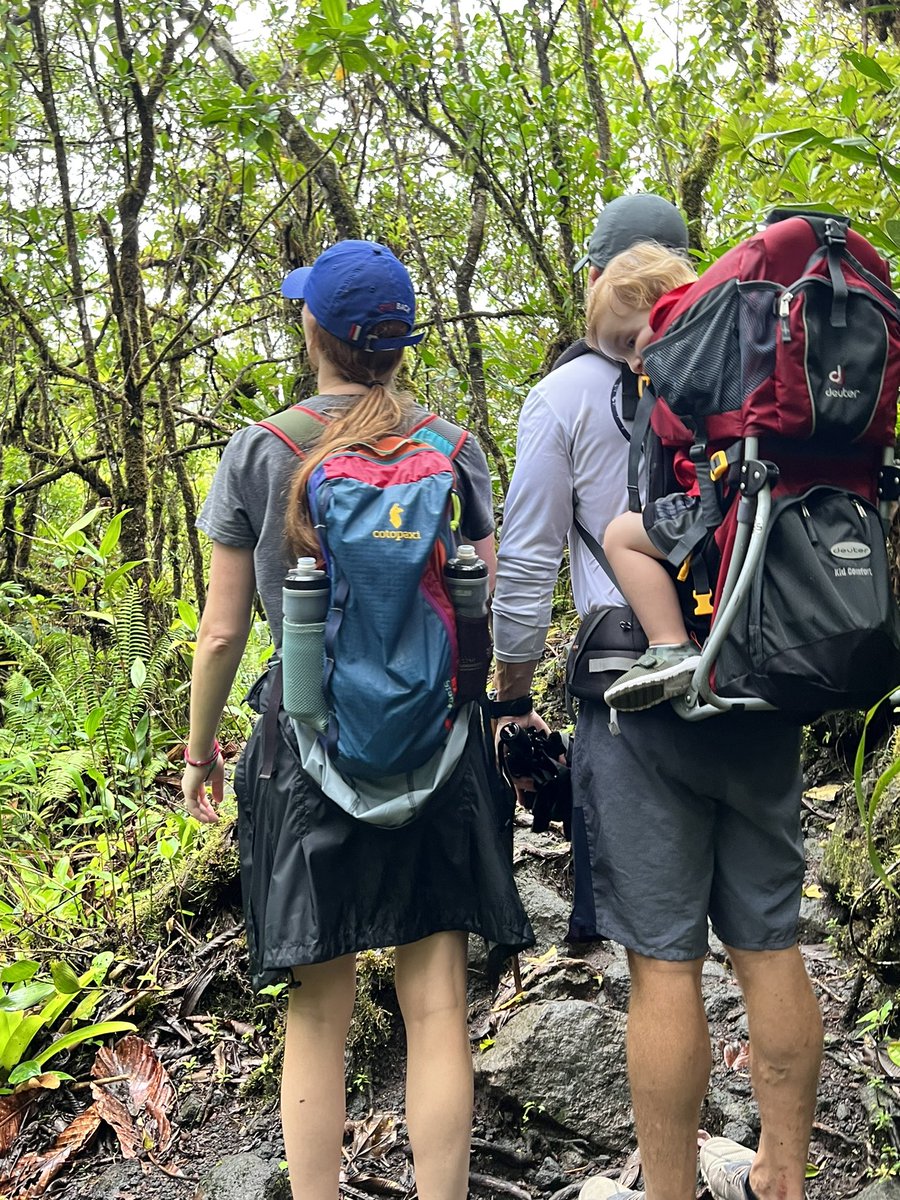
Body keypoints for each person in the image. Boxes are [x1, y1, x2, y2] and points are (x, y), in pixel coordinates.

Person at [182, 239, 533, 1200]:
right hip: (440, 742)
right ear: (401, 343)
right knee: (435, 1003)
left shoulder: (263, 449)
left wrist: (202, 748)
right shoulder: (455, 449)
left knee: (318, 1009)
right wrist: (502, 705)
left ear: (315, 331)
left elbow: (219, 633)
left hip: (306, 747)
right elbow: (485, 606)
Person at [491, 197, 823, 1200]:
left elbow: (525, 565)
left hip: (639, 700)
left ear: (600, 277)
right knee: (769, 941)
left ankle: (671, 1191)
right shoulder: (761, 359)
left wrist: (511, 695)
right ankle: (784, 1178)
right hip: (762, 675)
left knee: (664, 966)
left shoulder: (565, 398)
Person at [585, 241, 702, 713]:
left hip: (715, 509)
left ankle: (670, 645)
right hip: (755, 498)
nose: (635, 364)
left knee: (620, 535)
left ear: (664, 302)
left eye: (633, 342)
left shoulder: (682, 373)